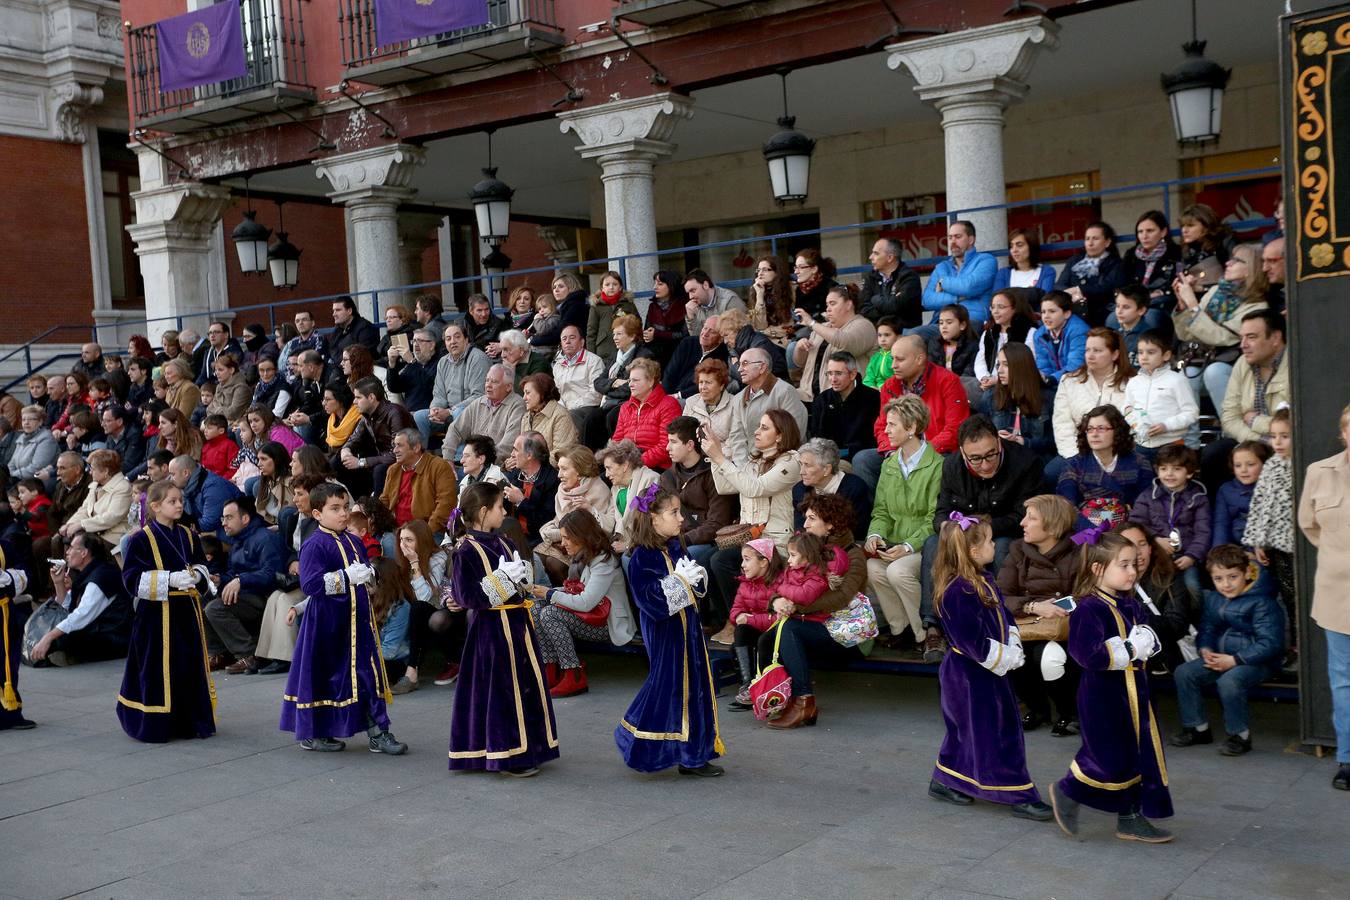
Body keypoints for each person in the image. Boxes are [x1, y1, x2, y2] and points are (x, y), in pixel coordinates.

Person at [1049, 532, 1173, 844]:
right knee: (1108, 755)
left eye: (1134, 565)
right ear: (1097, 569)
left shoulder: (1128, 602)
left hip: (1135, 691)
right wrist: (1131, 649)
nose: (1133, 572)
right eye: (1124, 565)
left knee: (1135, 753)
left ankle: (1130, 816)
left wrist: (1147, 640)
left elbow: (1146, 634)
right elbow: (1086, 654)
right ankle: (1068, 791)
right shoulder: (1089, 608)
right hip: (1104, 696)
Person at [927, 512, 1051, 820]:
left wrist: (1013, 639)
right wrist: (1005, 657)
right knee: (995, 730)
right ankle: (1018, 792)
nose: (995, 544)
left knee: (968, 730)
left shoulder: (982, 578)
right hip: (970, 674)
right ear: (972, 550)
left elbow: (1002, 617)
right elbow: (972, 641)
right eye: (990, 540)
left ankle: (946, 778)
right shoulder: (958, 589)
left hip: (983, 672)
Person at [281, 481, 407, 755]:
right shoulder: (314, 544)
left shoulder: (354, 541)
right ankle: (316, 732)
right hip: (328, 625)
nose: (343, 513)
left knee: (366, 676)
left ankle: (379, 732)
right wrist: (345, 578)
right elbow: (312, 585)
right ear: (317, 514)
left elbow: (362, 573)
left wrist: (369, 575)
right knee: (326, 677)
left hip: (358, 623)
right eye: (335, 508)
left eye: (345, 507)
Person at [447, 481, 559, 776]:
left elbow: (519, 584)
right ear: (484, 512)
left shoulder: (505, 542)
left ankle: (530, 746)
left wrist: (520, 578)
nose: (503, 511)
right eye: (499, 507)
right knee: (501, 691)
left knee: (524, 686)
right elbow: (466, 596)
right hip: (491, 631)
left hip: (518, 624)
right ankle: (506, 754)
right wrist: (501, 581)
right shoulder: (465, 550)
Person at [616, 484, 724, 775]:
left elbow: (692, 589)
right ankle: (636, 738)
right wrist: (680, 583)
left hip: (688, 628)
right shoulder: (641, 557)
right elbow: (650, 602)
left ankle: (693, 753)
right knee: (669, 688)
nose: (682, 519)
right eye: (674, 513)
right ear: (653, 518)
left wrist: (696, 580)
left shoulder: (675, 546)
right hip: (665, 634)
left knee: (695, 687)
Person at [922, 416, 1046, 662]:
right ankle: (933, 626)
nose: (985, 464)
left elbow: (1023, 515)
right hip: (965, 533)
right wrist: (948, 527)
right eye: (975, 458)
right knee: (934, 544)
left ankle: (998, 621)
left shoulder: (1026, 462)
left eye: (991, 455)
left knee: (1000, 548)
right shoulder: (951, 466)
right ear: (962, 452)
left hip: (1004, 531)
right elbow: (941, 512)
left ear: (999, 443)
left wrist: (981, 528)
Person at [116, 481, 218, 743]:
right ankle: (156, 722)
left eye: (180, 500)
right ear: (155, 506)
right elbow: (131, 580)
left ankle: (188, 720)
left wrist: (196, 576)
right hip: (155, 616)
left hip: (186, 612)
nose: (179, 505)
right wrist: (168, 580)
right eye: (172, 501)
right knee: (156, 667)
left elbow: (200, 565)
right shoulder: (140, 539)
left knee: (186, 664)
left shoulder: (188, 534)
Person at [1170, 544, 1285, 757]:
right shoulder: (1214, 598)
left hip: (1258, 662)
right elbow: (1207, 628)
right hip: (1221, 658)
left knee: (1229, 681)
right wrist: (1205, 649)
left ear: (1247, 573)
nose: (1226, 585)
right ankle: (1197, 728)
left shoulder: (1262, 601)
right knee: (1185, 672)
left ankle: (1239, 735)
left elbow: (1270, 643)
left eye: (1233, 577)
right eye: (1219, 579)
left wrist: (1235, 660)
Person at [704, 410, 803, 635]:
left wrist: (720, 458)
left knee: (721, 561)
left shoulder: (791, 461)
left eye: (764, 427)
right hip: (752, 542)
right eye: (759, 426)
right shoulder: (755, 461)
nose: (756, 432)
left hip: (775, 544)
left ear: (780, 435)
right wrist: (716, 455)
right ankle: (728, 620)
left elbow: (754, 488)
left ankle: (738, 623)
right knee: (706, 559)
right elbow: (725, 486)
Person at [1296, 401, 1350, 790]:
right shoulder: (1319, 472)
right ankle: (1348, 758)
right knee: (1343, 681)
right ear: (1343, 432)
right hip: (1337, 595)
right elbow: (1309, 525)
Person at [527, 508, 636, 698]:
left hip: (608, 624)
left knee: (550, 613)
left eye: (567, 538)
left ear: (582, 535)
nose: (563, 543)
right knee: (536, 607)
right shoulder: (588, 555)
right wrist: (543, 593)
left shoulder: (604, 561)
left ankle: (573, 674)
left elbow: (585, 602)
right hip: (593, 616)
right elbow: (580, 592)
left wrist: (550, 594)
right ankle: (550, 669)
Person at [997, 494, 1082, 734]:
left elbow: (1085, 596)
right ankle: (1037, 710)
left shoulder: (1080, 553)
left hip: (1065, 629)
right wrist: (1034, 606)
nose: (1022, 523)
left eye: (1031, 518)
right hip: (1028, 623)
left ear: (1053, 525)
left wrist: (1055, 608)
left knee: (1047, 656)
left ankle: (1069, 713)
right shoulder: (1017, 550)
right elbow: (1000, 595)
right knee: (1014, 652)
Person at [864, 396, 942, 649]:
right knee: (874, 569)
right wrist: (874, 536)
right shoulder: (889, 465)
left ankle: (926, 634)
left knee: (898, 572)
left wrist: (908, 545)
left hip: (924, 548)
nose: (885, 430)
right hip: (896, 545)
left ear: (912, 428)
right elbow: (882, 512)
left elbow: (935, 518)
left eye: (892, 425)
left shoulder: (937, 466)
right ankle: (901, 628)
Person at [852, 334, 970, 490]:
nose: (893, 365)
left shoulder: (948, 381)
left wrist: (920, 452)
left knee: (944, 464)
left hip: (937, 450)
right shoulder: (889, 386)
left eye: (900, 359)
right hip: (899, 451)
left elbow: (955, 429)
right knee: (863, 460)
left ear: (919, 359)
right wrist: (891, 452)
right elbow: (882, 426)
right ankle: (883, 510)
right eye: (892, 359)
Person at [1172, 243, 1268, 412]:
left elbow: (1223, 338)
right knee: (1186, 375)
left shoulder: (1257, 305)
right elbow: (1186, 335)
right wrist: (1183, 305)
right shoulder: (1215, 291)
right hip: (1203, 359)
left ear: (1251, 269)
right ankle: (1190, 439)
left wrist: (1193, 305)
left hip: (1235, 366)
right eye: (1230, 259)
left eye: (1236, 261)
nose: (1227, 264)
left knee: (1214, 372)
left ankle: (1232, 432)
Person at [28, 530, 132, 666]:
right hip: (100, 629)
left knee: (59, 637)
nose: (67, 552)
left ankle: (51, 654)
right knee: (57, 629)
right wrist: (58, 583)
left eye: (71, 548)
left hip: (115, 636)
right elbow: (65, 607)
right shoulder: (90, 572)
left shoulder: (100, 577)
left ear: (84, 553)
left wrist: (48, 637)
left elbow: (81, 615)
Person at [1211, 311, 1288, 486]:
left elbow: (1294, 424)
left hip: (1286, 443)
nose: (1243, 345)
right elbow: (1229, 418)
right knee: (1214, 454)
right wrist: (1259, 439)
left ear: (1275, 338)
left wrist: (1256, 421)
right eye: (1242, 338)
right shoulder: (1242, 363)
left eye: (1251, 337)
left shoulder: (1295, 364)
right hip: (1254, 441)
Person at [1128, 444, 1211, 601]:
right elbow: (1136, 523)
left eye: (1177, 469)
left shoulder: (1199, 498)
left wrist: (1191, 556)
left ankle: (1194, 622)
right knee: (1155, 589)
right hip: (1155, 555)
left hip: (1185, 557)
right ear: (1157, 470)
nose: (1169, 474)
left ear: (1190, 472)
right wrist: (1155, 539)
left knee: (1192, 587)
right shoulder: (1147, 496)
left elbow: (1203, 532)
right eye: (1164, 469)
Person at [1244, 408, 1296, 646]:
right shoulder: (1272, 465)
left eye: (1284, 436)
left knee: (1297, 598)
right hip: (1275, 546)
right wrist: (1258, 541)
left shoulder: (1301, 466)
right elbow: (1260, 505)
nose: (1278, 441)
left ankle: (1300, 645)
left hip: (1296, 547)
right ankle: (1291, 645)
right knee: (1286, 597)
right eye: (1274, 436)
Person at [1050, 328, 1133, 475]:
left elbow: (1135, 423)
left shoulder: (1133, 383)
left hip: (1119, 452)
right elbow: (1062, 423)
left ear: (1115, 354)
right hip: (1079, 451)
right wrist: (1075, 457)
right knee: (1050, 474)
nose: (1090, 355)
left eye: (1097, 350)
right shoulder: (1069, 381)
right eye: (1087, 350)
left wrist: (1112, 456)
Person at [1057, 405, 1153, 527]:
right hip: (1085, 531)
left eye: (1101, 428)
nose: (1094, 434)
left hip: (1128, 529)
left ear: (1117, 431)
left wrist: (1122, 522)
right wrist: (1097, 524)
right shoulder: (1074, 465)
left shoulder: (1139, 463)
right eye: (1090, 429)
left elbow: (1145, 505)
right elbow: (1066, 506)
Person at [660, 416, 735, 570]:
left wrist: (683, 540)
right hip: (676, 537)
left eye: (673, 442)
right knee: (632, 559)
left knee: (686, 556)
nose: (667, 447)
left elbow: (717, 523)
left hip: (706, 541)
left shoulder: (713, 474)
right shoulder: (667, 477)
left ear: (690, 445)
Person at [535, 445, 614, 585]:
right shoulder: (562, 489)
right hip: (563, 542)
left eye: (564, 469)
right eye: (559, 468)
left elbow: (598, 532)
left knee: (554, 564)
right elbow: (560, 519)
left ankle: (571, 597)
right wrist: (551, 530)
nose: (559, 475)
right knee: (536, 558)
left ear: (579, 470)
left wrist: (560, 534)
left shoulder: (598, 490)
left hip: (586, 547)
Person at [794, 284, 878, 405]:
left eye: (833, 304)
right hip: (808, 395)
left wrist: (812, 323)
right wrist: (799, 348)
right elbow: (799, 363)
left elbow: (845, 343)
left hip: (844, 398)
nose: (828, 308)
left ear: (849, 304)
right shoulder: (822, 328)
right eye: (827, 304)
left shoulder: (864, 326)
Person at [725, 537, 784, 710]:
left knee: (762, 640)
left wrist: (750, 618)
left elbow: (779, 618)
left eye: (747, 559)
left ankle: (762, 687)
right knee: (741, 632)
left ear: (764, 562)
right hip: (758, 629)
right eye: (742, 559)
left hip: (776, 633)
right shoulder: (745, 583)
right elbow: (735, 611)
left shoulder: (779, 582)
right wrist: (739, 618)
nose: (742, 564)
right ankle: (748, 685)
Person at [1122, 331, 1198, 462]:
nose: (1144, 357)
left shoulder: (1177, 380)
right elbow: (1127, 408)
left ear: (1166, 355)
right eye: (1140, 352)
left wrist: (1166, 425)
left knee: (1169, 480)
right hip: (1140, 445)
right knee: (1143, 481)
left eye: (1151, 352)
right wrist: (1136, 425)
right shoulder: (1134, 382)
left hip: (1171, 444)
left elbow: (1191, 413)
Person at [417, 323, 491, 447]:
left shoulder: (477, 358)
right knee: (420, 417)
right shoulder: (443, 362)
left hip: (473, 413)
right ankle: (421, 460)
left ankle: (458, 460)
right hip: (448, 412)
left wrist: (449, 411)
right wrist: (435, 410)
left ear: (466, 340)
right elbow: (439, 394)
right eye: (448, 339)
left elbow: (479, 396)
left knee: (459, 413)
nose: (453, 342)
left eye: (457, 337)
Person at [339, 377, 414, 497]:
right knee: (338, 461)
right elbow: (355, 438)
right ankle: (361, 503)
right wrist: (345, 450)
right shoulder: (367, 416)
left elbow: (399, 453)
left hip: (404, 462)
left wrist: (361, 462)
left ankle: (377, 510)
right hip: (381, 459)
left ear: (371, 397)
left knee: (380, 469)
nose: (354, 402)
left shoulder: (395, 413)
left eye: (358, 397)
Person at [379, 428, 459, 536]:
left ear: (416, 448)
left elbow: (445, 505)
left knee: (390, 545)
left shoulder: (439, 466)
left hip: (429, 532)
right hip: (397, 531)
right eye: (394, 446)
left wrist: (425, 533)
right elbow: (385, 500)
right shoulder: (393, 470)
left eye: (400, 445)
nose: (395, 450)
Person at [442, 365, 525, 464]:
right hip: (472, 463)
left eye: (494, 382)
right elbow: (455, 429)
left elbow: (507, 447)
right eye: (487, 380)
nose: (488, 385)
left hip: (497, 468)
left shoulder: (517, 406)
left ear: (508, 387)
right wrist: (448, 459)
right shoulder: (479, 402)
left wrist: (480, 462)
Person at [972, 289, 1038, 412]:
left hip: (1016, 382)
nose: (995, 311)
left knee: (989, 397)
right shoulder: (989, 333)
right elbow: (980, 360)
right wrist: (984, 378)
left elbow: (1029, 362)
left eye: (1001, 307)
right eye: (992, 307)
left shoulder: (1029, 332)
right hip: (989, 380)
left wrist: (996, 380)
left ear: (1014, 308)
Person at [793, 437, 872, 539]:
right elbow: (800, 531)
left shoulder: (855, 488)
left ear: (826, 469)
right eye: (801, 464)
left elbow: (857, 532)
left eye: (807, 465)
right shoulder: (799, 490)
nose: (801, 472)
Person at [921, 220, 997, 326]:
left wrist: (944, 282)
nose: (952, 241)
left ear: (971, 240)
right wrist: (957, 298)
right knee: (911, 337)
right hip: (941, 324)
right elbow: (927, 300)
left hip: (971, 321)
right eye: (950, 237)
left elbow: (969, 287)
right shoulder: (942, 267)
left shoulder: (986, 260)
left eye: (958, 237)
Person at [611, 359, 681, 470]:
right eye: (629, 380)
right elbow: (617, 441)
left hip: (658, 469)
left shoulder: (669, 405)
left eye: (635, 380)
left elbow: (666, 446)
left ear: (651, 382)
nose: (630, 385)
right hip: (628, 465)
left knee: (649, 488)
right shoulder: (625, 407)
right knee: (600, 482)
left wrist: (637, 463)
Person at [60, 448, 134, 554]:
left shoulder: (123, 488)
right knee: (60, 539)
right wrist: (70, 524)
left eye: (93, 469)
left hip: (112, 537)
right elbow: (85, 509)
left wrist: (81, 525)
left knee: (76, 547)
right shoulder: (95, 484)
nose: (90, 472)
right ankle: (64, 569)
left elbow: (111, 517)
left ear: (105, 471)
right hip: (95, 532)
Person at [596, 439, 660, 553]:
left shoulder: (651, 479)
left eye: (609, 468)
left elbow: (648, 522)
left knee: (627, 558)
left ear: (625, 465)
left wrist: (628, 545)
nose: (606, 474)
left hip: (647, 544)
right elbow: (612, 524)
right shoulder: (616, 489)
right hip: (623, 543)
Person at [681, 358, 748, 467]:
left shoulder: (735, 404)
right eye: (701, 382)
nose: (703, 387)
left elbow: (735, 442)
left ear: (721, 385)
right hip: (693, 461)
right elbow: (683, 436)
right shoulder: (691, 402)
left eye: (708, 382)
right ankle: (653, 485)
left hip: (723, 463)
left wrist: (713, 456)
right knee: (665, 479)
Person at [1055, 221, 1124, 326]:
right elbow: (1059, 285)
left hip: (1102, 311)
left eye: (1095, 239)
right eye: (1087, 239)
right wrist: (1070, 295)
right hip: (1073, 308)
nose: (1090, 243)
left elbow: (1106, 287)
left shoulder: (1116, 263)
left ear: (1107, 242)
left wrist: (1079, 290)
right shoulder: (1074, 260)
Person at [990, 343, 1053, 456]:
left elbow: (1054, 442)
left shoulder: (1048, 398)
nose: (999, 370)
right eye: (998, 365)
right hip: (1002, 457)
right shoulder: (991, 396)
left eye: (1006, 365)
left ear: (1021, 367)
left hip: (1034, 459)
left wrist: (1023, 441)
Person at [504, 432, 560, 546]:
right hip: (512, 536)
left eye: (516, 450)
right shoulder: (515, 474)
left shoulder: (553, 481)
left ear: (529, 455)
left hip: (537, 540)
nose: (512, 454)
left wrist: (521, 501)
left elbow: (544, 522)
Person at [1121, 211, 1182, 312]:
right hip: (1133, 304)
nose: (1144, 236)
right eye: (1140, 232)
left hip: (1163, 304)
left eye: (1149, 231)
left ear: (1163, 232)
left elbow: (1177, 283)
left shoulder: (1175, 253)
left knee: (1151, 317)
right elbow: (1122, 283)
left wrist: (1159, 293)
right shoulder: (1131, 254)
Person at [0, 536, 32, 730]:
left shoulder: (4, 545)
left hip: (3, 612)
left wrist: (8, 578)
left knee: (7, 662)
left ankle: (9, 713)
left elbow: (24, 571)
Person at [1213, 441, 1270, 549]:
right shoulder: (1226, 490)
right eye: (1238, 465)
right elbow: (1221, 524)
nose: (1243, 470)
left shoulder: (1272, 489)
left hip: (1263, 551)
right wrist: (1219, 551)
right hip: (1235, 550)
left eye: (1250, 465)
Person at [552, 325, 605, 437]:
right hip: (564, 408)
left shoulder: (594, 361)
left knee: (571, 416)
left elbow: (596, 394)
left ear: (582, 342)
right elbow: (556, 392)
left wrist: (571, 406)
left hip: (587, 407)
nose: (567, 342)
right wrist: (561, 408)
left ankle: (573, 452)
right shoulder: (558, 365)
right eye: (564, 339)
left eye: (572, 338)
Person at [663, 314, 730, 401]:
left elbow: (705, 385)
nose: (705, 334)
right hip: (670, 396)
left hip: (694, 399)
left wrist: (678, 396)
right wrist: (665, 395)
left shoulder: (722, 356)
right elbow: (670, 372)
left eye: (712, 332)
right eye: (705, 328)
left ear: (721, 338)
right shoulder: (687, 343)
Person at [858, 237, 922, 328]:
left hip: (904, 332)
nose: (870, 257)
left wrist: (875, 299)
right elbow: (863, 309)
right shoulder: (870, 277)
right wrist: (889, 306)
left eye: (876, 253)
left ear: (890, 257)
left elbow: (898, 307)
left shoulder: (909, 277)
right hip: (878, 331)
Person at [1032, 291, 1089, 391]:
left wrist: (1052, 378)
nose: (1046, 316)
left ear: (1067, 313)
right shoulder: (1039, 335)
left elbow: (1076, 365)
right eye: (1043, 312)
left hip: (1078, 383)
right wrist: (1045, 378)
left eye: (1052, 311)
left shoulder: (1078, 331)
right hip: (1053, 382)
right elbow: (1043, 365)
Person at [519, 373, 577, 465]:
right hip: (529, 470)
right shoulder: (526, 417)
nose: (524, 398)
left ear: (542, 393)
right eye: (524, 393)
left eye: (528, 393)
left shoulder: (561, 416)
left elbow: (560, 454)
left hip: (552, 473)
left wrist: (529, 464)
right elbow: (521, 448)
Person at [385, 327, 440, 412]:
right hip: (410, 414)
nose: (415, 344)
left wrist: (412, 361)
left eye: (420, 341)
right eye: (413, 341)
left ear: (432, 345)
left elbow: (428, 385)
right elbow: (394, 387)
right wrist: (392, 364)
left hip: (429, 413)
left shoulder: (440, 363)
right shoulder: (412, 365)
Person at [684, 268, 747, 336]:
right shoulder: (695, 306)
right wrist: (691, 318)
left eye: (693, 291)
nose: (690, 297)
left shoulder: (729, 301)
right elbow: (697, 339)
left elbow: (740, 335)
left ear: (705, 285)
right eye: (688, 293)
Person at [994, 227, 1057, 294]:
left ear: (1032, 247)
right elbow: (997, 299)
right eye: (1011, 246)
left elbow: (1045, 299)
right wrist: (1031, 293)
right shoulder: (1003, 273)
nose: (1014, 250)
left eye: (1019, 245)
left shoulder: (1047, 271)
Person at [644, 270, 690, 360]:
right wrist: (647, 335)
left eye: (660, 284)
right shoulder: (653, 307)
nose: (655, 287)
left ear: (671, 285)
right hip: (656, 355)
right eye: (655, 284)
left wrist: (657, 334)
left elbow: (685, 334)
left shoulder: (684, 306)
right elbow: (647, 330)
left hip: (679, 354)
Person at [746, 255, 796, 336]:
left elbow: (790, 326)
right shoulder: (756, 290)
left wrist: (765, 332)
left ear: (777, 272)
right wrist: (759, 296)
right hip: (764, 339)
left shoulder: (791, 289)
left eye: (765, 270)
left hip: (786, 339)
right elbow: (760, 326)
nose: (760, 274)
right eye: (758, 270)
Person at [326, 296, 380, 369]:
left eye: (338, 310)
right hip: (340, 369)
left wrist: (341, 362)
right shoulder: (338, 328)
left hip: (360, 371)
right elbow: (332, 349)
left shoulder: (365, 328)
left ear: (349, 311)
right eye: (333, 310)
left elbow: (363, 354)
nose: (334, 314)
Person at [1179, 202, 1234, 270]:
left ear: (1206, 227)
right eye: (1182, 226)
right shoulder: (1186, 251)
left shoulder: (1225, 243)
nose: (1184, 230)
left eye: (1190, 225)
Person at [9, 405, 58, 481]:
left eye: (30, 419)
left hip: (37, 482)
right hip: (19, 479)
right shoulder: (21, 438)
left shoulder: (46, 439)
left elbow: (36, 468)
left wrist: (14, 475)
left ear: (40, 422)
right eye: (24, 419)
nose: (26, 423)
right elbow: (11, 463)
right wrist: (12, 475)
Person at [864, 316, 900, 390]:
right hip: (876, 392)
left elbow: (901, 380)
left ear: (898, 337)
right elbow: (868, 378)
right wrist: (871, 388)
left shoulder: (900, 357)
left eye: (887, 335)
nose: (882, 339)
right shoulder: (875, 357)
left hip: (894, 393)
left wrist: (884, 390)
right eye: (879, 335)